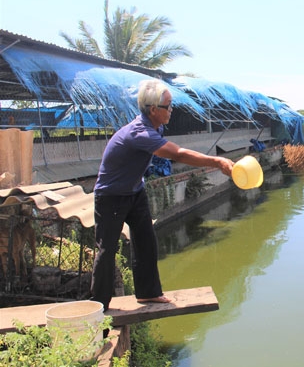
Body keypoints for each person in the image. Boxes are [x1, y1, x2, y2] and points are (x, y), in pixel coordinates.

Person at [90, 79, 234, 311]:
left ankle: (148, 293)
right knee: (107, 249)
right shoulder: (141, 132)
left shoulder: (156, 127)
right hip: (112, 195)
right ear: (153, 109)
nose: (171, 110)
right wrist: (216, 161)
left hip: (135, 191)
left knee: (146, 240)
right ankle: (98, 305)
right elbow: (177, 154)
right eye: (168, 106)